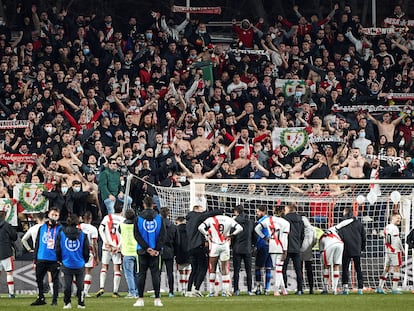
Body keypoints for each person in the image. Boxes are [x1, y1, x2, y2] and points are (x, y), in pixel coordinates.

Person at [198, 212, 243, 297]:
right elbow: (240, 228)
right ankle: (225, 291)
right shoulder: (229, 219)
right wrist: (231, 235)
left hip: (214, 245)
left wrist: (207, 234)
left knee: (213, 268)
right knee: (225, 268)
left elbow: (200, 227)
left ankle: (212, 291)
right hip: (225, 245)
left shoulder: (211, 219)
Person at [133, 196, 166, 307]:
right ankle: (157, 299)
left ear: (143, 204)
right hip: (156, 252)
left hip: (142, 251)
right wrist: (156, 249)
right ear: (153, 205)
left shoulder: (138, 218)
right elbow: (162, 235)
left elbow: (136, 235)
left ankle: (140, 299)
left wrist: (146, 248)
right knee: (156, 275)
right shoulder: (159, 218)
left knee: (141, 275)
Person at [185, 205, 222, 297]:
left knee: (194, 269)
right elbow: (208, 214)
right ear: (197, 210)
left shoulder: (189, 220)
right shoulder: (197, 216)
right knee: (203, 268)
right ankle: (196, 289)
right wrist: (221, 210)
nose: (203, 212)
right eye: (201, 210)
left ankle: (189, 290)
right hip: (199, 246)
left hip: (190, 247)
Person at [254, 205, 290, 296]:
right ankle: (276, 290)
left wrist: (265, 238)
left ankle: (283, 289)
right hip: (280, 245)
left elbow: (257, 229)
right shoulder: (285, 222)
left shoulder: (268, 220)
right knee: (278, 269)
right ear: (283, 211)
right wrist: (285, 251)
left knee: (278, 269)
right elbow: (284, 238)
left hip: (271, 244)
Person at [56, 214, 89, 309]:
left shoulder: (61, 234)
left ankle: (67, 303)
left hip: (66, 262)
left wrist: (59, 259)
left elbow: (58, 248)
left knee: (67, 285)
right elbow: (86, 249)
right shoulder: (82, 234)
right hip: (79, 262)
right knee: (80, 285)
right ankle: (81, 303)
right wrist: (85, 259)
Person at [31, 207, 62, 306]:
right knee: (39, 279)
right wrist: (35, 259)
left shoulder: (60, 229)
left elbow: (62, 244)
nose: (54, 217)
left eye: (56, 215)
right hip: (41, 257)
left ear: (59, 217)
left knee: (55, 279)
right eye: (52, 214)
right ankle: (41, 297)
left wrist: (60, 258)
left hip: (54, 259)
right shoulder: (42, 227)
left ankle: (54, 300)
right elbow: (37, 243)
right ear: (48, 215)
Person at [96, 202, 125, 298]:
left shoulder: (107, 218)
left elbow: (100, 229)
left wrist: (105, 241)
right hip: (116, 248)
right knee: (116, 268)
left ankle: (101, 287)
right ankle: (115, 292)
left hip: (106, 246)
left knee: (104, 267)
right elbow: (124, 235)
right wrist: (119, 246)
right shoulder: (123, 220)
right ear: (122, 210)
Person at [337, 206, 366, 295]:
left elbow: (339, 236)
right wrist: (362, 248)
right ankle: (360, 288)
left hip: (346, 248)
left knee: (345, 269)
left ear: (345, 212)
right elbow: (363, 237)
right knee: (358, 269)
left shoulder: (342, 224)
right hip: (356, 249)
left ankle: (345, 288)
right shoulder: (358, 223)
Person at [376, 213, 404, 294]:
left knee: (386, 269)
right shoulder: (395, 228)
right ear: (392, 218)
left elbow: (386, 239)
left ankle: (380, 287)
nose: (399, 220)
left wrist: (388, 248)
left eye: (400, 218)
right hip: (395, 251)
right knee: (397, 268)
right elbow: (397, 240)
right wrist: (402, 250)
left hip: (388, 251)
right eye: (397, 218)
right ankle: (394, 289)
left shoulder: (387, 227)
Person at [282, 203, 305, 295]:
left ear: (288, 209)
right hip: (296, 247)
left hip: (286, 247)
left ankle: (285, 289)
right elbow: (303, 235)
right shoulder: (301, 220)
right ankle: (300, 289)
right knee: (298, 270)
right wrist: (299, 245)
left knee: (283, 269)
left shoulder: (284, 219)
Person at [232, 205, 254, 296]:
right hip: (248, 248)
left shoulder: (234, 222)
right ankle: (249, 290)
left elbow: (232, 235)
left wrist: (232, 246)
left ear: (236, 212)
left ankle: (236, 290)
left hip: (237, 248)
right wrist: (253, 246)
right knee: (249, 270)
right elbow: (254, 235)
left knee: (236, 270)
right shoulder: (250, 222)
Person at [79, 211, 99, 297]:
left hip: (78, 251)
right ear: (91, 218)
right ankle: (85, 291)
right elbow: (94, 243)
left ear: (83, 218)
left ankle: (76, 291)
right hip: (89, 251)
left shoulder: (78, 227)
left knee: (77, 271)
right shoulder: (93, 229)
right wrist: (96, 256)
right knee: (88, 271)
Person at [119, 209, 139, 298]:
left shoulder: (122, 225)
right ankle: (138, 292)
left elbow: (119, 231)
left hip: (127, 252)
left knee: (129, 274)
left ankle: (132, 292)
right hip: (137, 252)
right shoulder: (137, 225)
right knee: (137, 274)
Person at [319, 226, 343, 295]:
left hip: (328, 246)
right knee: (336, 265)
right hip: (340, 244)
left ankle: (326, 289)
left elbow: (321, 251)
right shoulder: (336, 233)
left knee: (326, 266)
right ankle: (335, 289)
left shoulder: (322, 237)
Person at [254, 205, 273, 295]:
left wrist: (264, 238)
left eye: (258, 212)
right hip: (272, 245)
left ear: (263, 211)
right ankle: (267, 289)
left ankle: (258, 288)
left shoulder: (261, 221)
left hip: (263, 245)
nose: (257, 213)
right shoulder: (271, 219)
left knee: (258, 267)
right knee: (268, 267)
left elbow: (257, 230)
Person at [0, 205, 17, 298]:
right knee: (9, 272)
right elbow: (14, 237)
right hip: (6, 252)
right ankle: (11, 293)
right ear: (5, 216)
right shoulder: (7, 225)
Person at [159, 207, 177, 298]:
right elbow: (177, 241)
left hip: (158, 251)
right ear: (168, 214)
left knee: (157, 272)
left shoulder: (157, 225)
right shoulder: (173, 226)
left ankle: (157, 292)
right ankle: (171, 292)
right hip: (170, 250)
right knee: (170, 272)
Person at [300, 214, 317, 294]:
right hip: (308, 250)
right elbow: (315, 240)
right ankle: (311, 288)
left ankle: (300, 288)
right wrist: (310, 247)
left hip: (299, 249)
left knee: (299, 269)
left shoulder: (300, 228)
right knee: (309, 269)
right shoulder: (313, 229)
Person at [174, 217, 191, 296]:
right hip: (189, 251)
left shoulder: (176, 229)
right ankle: (188, 288)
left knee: (181, 271)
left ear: (177, 221)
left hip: (179, 251)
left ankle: (183, 289)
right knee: (188, 271)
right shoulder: (189, 228)